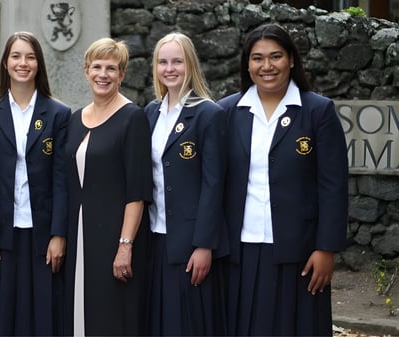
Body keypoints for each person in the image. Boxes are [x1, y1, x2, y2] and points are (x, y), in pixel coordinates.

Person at [217, 23, 348, 336]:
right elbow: (214, 183)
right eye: (257, 58)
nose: (267, 66)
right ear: (247, 64)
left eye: (275, 56)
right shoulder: (227, 112)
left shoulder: (318, 111)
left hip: (300, 252)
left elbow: (333, 185)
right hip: (240, 249)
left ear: (291, 60)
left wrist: (326, 248)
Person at [0, 31, 71, 336]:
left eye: (30, 57)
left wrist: (59, 234)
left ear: (39, 64)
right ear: (5, 63)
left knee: (43, 314)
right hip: (2, 231)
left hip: (42, 231)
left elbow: (61, 180)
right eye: (16, 56)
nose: (22, 63)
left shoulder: (59, 114)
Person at [62, 37, 152, 336]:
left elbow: (137, 191)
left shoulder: (132, 118)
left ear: (122, 74)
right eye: (97, 66)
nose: (103, 74)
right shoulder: (75, 120)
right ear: (86, 71)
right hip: (79, 235)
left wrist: (124, 246)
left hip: (114, 237)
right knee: (78, 313)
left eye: (111, 68)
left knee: (111, 316)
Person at [144, 32, 228, 336]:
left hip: (190, 241)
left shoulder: (208, 114)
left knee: (189, 323)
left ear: (189, 64)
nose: (170, 69)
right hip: (155, 237)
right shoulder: (150, 113)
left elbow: (213, 184)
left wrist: (204, 244)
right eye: (163, 62)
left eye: (177, 61)